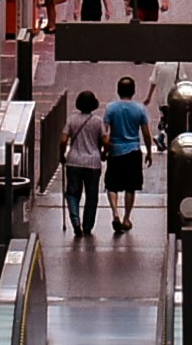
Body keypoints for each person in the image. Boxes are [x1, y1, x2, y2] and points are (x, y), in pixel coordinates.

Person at [104, 77, 153, 236]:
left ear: (118, 91)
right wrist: (149, 152)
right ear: (133, 91)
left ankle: (115, 213)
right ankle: (126, 218)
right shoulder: (140, 109)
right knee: (130, 186)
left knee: (112, 185)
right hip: (133, 151)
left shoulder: (110, 108)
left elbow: (105, 132)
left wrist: (105, 149)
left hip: (115, 150)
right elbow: (146, 133)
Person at [60, 89, 110, 241]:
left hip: (74, 161)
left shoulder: (71, 120)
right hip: (93, 163)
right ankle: (87, 226)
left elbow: (63, 140)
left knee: (72, 193)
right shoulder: (98, 121)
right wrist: (104, 153)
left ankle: (75, 220)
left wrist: (61, 154)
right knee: (92, 196)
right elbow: (106, 141)